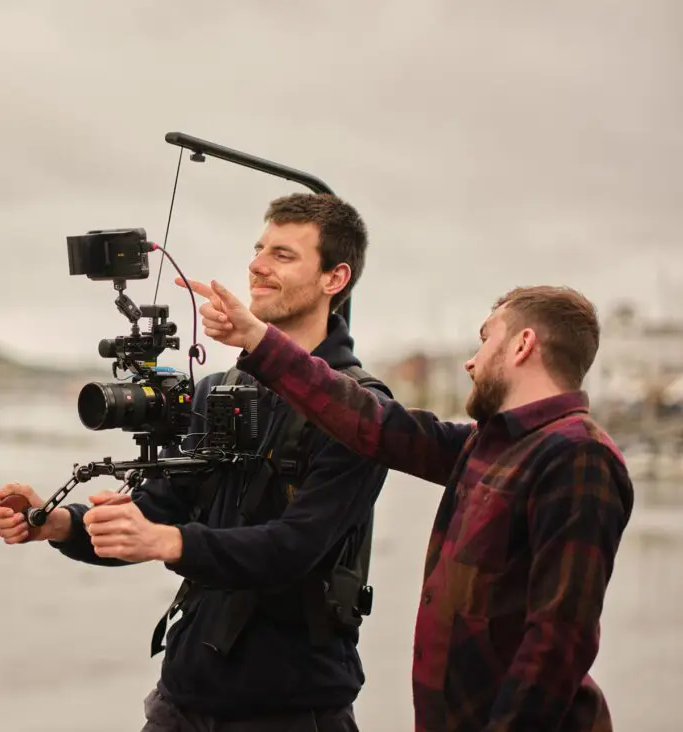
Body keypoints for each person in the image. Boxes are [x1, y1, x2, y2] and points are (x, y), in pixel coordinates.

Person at [0, 193, 393, 731]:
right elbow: (157, 507)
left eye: (283, 255)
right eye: (258, 249)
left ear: (334, 278)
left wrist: (169, 542)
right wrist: (58, 523)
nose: (257, 265)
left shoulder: (363, 410)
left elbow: (294, 548)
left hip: (291, 708)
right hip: (184, 695)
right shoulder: (221, 389)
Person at [181, 277, 634, 732]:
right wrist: (259, 340)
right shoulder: (487, 446)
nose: (470, 362)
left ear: (523, 344)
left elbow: (559, 642)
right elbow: (373, 424)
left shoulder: (578, 454)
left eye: (484, 339)